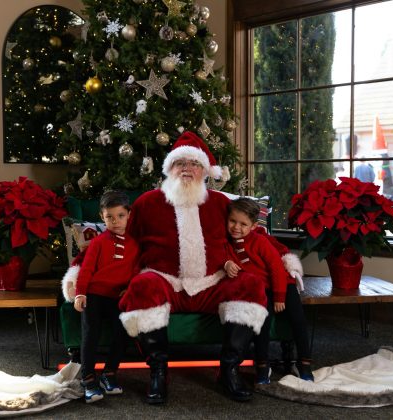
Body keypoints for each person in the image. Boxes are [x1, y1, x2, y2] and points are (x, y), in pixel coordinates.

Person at [118, 131, 302, 404]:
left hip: (213, 283)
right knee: (142, 287)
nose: (187, 169)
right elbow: (125, 243)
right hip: (165, 282)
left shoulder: (220, 203)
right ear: (170, 167)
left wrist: (285, 258)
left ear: (205, 169)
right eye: (181, 163)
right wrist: (81, 269)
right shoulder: (148, 203)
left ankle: (228, 370)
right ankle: (158, 372)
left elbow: (250, 236)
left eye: (194, 163)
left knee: (250, 285)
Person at [224, 197, 314, 385]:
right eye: (232, 221)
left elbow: (276, 268)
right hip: (260, 290)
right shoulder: (227, 245)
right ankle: (263, 366)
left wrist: (280, 296)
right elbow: (223, 259)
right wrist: (226, 264)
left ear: (254, 225)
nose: (236, 227)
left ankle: (304, 363)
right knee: (262, 323)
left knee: (297, 318)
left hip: (282, 283)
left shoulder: (259, 241)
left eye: (243, 224)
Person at [73, 191, 139, 403]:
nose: (116, 221)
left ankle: (109, 373)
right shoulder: (98, 243)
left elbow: (137, 271)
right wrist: (80, 293)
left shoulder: (135, 244)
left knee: (124, 331)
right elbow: (86, 269)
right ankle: (88, 377)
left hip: (118, 296)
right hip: (94, 294)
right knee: (91, 332)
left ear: (128, 214)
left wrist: (129, 288)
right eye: (110, 217)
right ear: (102, 217)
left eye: (120, 216)